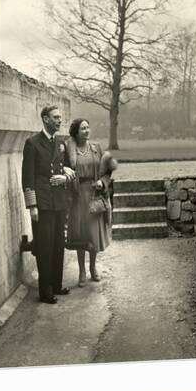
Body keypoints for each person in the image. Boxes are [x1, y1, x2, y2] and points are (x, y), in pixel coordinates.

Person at [21, 105, 75, 304]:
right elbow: (27, 177)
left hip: (59, 201)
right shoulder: (32, 143)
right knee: (44, 247)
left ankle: (57, 285)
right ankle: (45, 292)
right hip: (42, 203)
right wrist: (32, 206)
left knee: (58, 244)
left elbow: (68, 167)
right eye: (55, 117)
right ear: (45, 119)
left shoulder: (60, 143)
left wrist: (65, 177)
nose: (60, 121)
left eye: (60, 117)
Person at [65, 118, 116, 287]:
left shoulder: (96, 148)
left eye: (88, 127)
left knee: (93, 234)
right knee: (81, 234)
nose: (87, 131)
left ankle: (93, 268)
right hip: (78, 197)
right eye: (83, 128)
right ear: (76, 132)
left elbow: (108, 172)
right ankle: (81, 271)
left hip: (94, 195)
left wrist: (102, 181)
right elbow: (64, 171)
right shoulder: (69, 150)